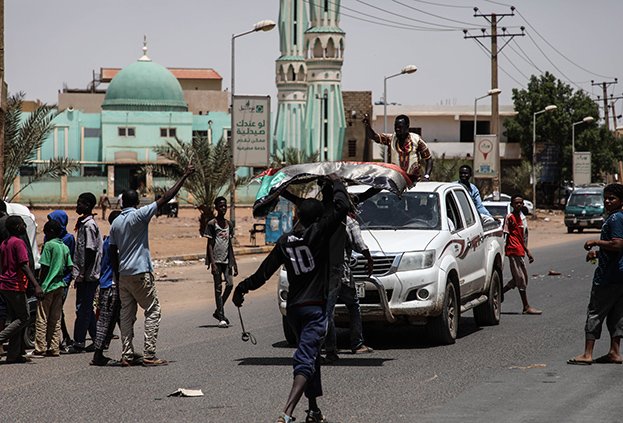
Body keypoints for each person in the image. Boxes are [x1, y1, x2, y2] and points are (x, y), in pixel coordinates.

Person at [233, 174, 349, 423]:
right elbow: (342, 208)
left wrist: (241, 288)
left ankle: (314, 410)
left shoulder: (285, 242)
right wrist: (337, 183)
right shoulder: (319, 233)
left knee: (312, 358)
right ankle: (286, 413)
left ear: (298, 217)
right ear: (317, 219)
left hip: (295, 310)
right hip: (314, 309)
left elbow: (262, 274)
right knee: (305, 360)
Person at [109, 165, 194, 367]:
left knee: (126, 315)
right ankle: (149, 353)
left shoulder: (115, 223)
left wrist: (116, 275)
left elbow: (112, 251)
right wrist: (184, 176)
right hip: (140, 272)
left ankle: (127, 354)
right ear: (137, 202)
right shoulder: (139, 216)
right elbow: (165, 197)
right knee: (153, 310)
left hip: (123, 275)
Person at [568, 183, 623, 365]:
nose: (607, 201)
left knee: (595, 312)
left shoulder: (615, 219)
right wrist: (598, 253)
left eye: (612, 198)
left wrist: (596, 242)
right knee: (616, 315)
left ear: (620, 201)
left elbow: (617, 244)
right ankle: (615, 352)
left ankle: (587, 353)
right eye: (605, 198)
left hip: (608, 277)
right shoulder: (618, 218)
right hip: (619, 275)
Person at [324, 213, 374, 363]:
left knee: (327, 311)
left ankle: (330, 349)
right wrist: (369, 259)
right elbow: (359, 244)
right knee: (353, 306)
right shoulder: (349, 221)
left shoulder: (322, 217)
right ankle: (356, 344)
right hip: (341, 271)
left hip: (322, 272)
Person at [0, 216, 43, 363]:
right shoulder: (18, 243)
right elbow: (24, 265)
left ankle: (13, 354)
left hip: (5, 285)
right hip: (14, 285)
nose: (25, 226)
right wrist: (36, 285)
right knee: (24, 318)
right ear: (19, 227)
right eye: (23, 224)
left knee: (15, 318)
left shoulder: (5, 243)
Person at [65, 192, 103, 354]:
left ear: (87, 205)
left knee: (82, 309)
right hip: (85, 275)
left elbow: (90, 252)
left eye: (79, 203)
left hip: (88, 276)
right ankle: (97, 340)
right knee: (85, 307)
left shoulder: (88, 226)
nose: (77, 206)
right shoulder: (84, 223)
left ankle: (79, 342)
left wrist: (82, 274)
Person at [31, 220, 73, 358]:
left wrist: (40, 284)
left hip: (47, 286)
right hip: (60, 286)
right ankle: (54, 347)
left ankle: (40, 348)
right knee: (55, 319)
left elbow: (45, 267)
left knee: (42, 317)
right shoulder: (64, 247)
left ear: (50, 232)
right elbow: (69, 266)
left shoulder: (49, 246)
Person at [91, 210, 123, 367]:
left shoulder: (109, 240)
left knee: (119, 320)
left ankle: (127, 350)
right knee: (105, 321)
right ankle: (98, 355)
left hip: (109, 284)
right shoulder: (113, 243)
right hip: (111, 285)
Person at [363, 113, 433, 182]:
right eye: (395, 126)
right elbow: (374, 137)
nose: (397, 129)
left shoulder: (416, 139)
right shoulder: (391, 139)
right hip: (395, 181)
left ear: (407, 126)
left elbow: (428, 159)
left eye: (400, 127)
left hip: (414, 182)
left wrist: (426, 176)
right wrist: (367, 126)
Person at [501, 194, 541, 315]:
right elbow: (505, 235)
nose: (518, 205)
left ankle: (499, 293)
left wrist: (527, 251)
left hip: (520, 250)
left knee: (520, 278)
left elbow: (521, 237)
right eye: (516, 203)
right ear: (512, 204)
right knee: (521, 278)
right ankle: (526, 306)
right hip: (513, 250)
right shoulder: (510, 217)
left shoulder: (522, 218)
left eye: (520, 203)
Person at [205, 196, 238, 328]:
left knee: (229, 285)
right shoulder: (212, 224)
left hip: (226, 260)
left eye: (225, 206)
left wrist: (234, 263)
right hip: (216, 261)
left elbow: (229, 245)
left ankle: (218, 311)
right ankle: (222, 317)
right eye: (221, 206)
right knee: (218, 288)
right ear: (216, 208)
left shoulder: (229, 224)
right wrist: (212, 264)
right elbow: (209, 245)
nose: (223, 208)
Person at [46, 210, 76, 350]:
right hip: (49, 279)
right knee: (56, 310)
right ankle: (62, 337)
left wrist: (67, 279)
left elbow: (70, 261)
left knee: (58, 309)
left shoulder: (68, 239)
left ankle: (59, 339)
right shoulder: (48, 238)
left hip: (62, 279)